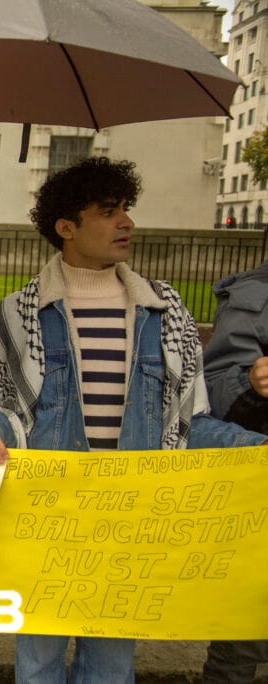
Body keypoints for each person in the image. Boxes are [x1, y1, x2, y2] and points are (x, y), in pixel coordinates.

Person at [0, 156, 267, 683]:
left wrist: (250, 447)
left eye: (126, 209)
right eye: (109, 211)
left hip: (130, 528)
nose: (126, 221)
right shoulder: (18, 313)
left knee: (111, 667)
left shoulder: (166, 310)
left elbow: (187, 423)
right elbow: (1, 403)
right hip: (47, 523)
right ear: (66, 227)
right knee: (36, 665)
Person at [201, 260, 268, 684]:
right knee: (242, 644)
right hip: (258, 501)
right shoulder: (252, 298)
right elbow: (209, 395)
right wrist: (250, 381)